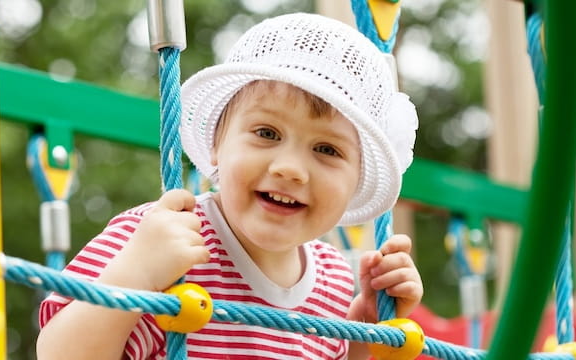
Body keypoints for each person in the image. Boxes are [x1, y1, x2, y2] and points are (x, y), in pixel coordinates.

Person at [36, 12, 422, 360]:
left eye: (326, 149)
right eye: (267, 132)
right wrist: (136, 271)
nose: (291, 169)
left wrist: (363, 333)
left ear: (356, 181)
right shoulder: (161, 235)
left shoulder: (334, 278)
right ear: (217, 145)